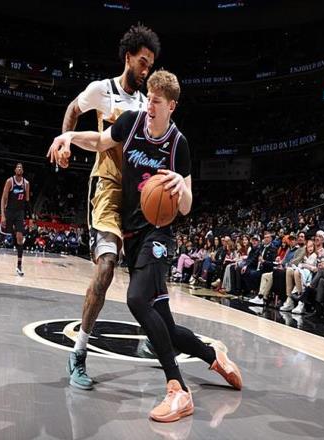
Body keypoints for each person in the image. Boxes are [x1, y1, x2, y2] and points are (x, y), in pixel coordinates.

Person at [49, 69, 242, 423]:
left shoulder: (178, 144)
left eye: (156, 102)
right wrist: (70, 136)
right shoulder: (131, 123)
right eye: (148, 99)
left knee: (137, 300)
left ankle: (177, 390)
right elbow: (100, 142)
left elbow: (187, 205)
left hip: (159, 236)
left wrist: (180, 187)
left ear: (171, 106)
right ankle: (213, 356)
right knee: (165, 328)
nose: (149, 106)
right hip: (132, 236)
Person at [46, 24, 160, 390]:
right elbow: (73, 109)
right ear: (128, 57)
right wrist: (64, 141)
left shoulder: (147, 104)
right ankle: (79, 351)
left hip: (137, 195)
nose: (146, 70)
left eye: (150, 65)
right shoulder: (102, 90)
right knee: (107, 265)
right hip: (107, 187)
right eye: (142, 62)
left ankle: (154, 336)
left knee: (151, 270)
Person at [0, 163, 30, 276]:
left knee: (19, 238)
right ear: (15, 170)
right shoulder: (10, 181)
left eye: (21, 167)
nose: (19, 169)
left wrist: (29, 216)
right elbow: (3, 199)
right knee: (2, 237)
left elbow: (27, 200)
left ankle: (19, 266)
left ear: (23, 171)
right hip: (9, 212)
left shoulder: (26, 183)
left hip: (19, 213)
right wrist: (3, 215)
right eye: (17, 167)